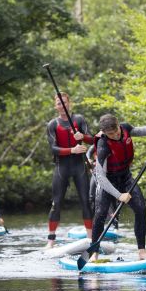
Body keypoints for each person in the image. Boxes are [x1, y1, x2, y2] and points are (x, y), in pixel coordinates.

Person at [91, 113, 146, 261]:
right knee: (101, 214)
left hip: (126, 177)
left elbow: (139, 131)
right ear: (104, 133)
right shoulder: (103, 145)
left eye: (116, 131)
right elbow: (100, 178)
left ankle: (142, 252)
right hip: (108, 182)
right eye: (110, 134)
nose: (115, 136)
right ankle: (94, 253)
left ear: (118, 125)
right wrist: (118, 195)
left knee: (141, 209)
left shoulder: (125, 128)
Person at [46, 92, 93, 248]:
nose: (62, 106)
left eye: (64, 103)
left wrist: (83, 137)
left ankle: (91, 238)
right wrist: (71, 150)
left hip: (79, 166)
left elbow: (92, 139)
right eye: (59, 103)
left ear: (69, 103)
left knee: (86, 202)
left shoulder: (79, 120)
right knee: (56, 203)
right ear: (56, 106)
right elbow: (53, 148)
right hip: (62, 167)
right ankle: (51, 241)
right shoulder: (53, 124)